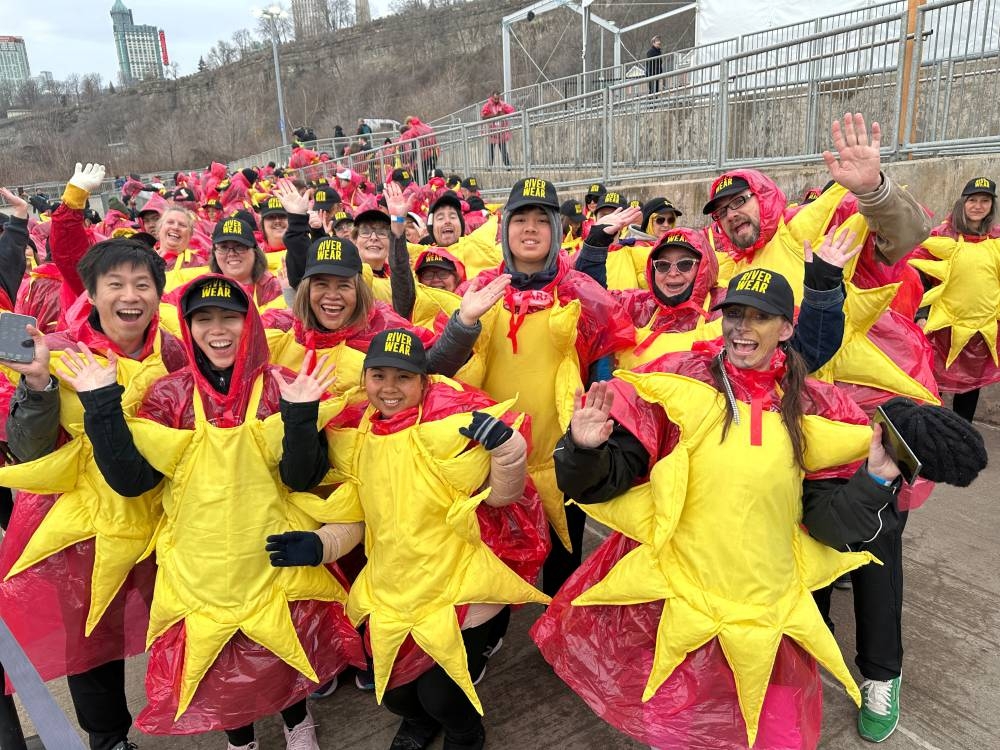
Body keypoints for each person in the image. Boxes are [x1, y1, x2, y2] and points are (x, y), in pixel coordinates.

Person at [532, 267, 904, 749]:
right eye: (733, 314)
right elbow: (607, 481)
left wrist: (874, 480)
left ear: (787, 328)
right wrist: (584, 450)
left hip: (766, 614)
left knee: (776, 737)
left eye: (759, 317)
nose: (741, 327)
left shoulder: (817, 408)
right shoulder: (680, 381)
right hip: (677, 599)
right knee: (681, 730)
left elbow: (830, 526)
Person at [62, 275, 362, 748]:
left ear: (250, 324)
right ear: (187, 325)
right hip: (196, 565)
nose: (217, 329)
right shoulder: (167, 395)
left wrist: (301, 414)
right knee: (215, 660)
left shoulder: (282, 387)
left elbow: (301, 478)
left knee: (285, 647)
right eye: (204, 318)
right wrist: (101, 406)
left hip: (270, 555)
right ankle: (240, 739)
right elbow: (133, 481)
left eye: (230, 316)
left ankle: (297, 723)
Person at [266, 328, 549, 750]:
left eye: (404, 377)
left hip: (457, 589)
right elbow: (361, 519)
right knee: (395, 693)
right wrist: (319, 546)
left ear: (424, 381)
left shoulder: (448, 433)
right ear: (365, 379)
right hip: (391, 588)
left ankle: (464, 733)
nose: (390, 388)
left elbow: (504, 499)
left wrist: (507, 450)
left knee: (443, 692)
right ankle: (418, 723)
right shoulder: (359, 438)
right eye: (379, 375)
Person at [0, 238, 187, 750]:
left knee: (185, 616)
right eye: (116, 284)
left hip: (164, 518)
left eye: (142, 284)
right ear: (93, 293)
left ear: (158, 294)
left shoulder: (178, 347)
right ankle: (109, 739)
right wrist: (37, 386)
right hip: (83, 528)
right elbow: (26, 449)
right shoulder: (57, 352)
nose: (130, 295)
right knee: (91, 640)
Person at [452, 178, 635, 595]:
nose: (530, 229)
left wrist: (593, 437)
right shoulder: (480, 292)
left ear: (556, 229)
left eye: (541, 220)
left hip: (561, 460)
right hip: (494, 458)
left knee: (563, 566)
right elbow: (449, 366)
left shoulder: (580, 293)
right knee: (493, 564)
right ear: (505, 230)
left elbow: (601, 363)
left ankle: (556, 634)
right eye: (520, 219)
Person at [910, 177, 1000, 423]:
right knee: (931, 383)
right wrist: (922, 313)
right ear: (963, 203)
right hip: (941, 327)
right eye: (972, 200)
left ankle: (962, 433)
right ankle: (929, 432)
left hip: (980, 328)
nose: (978, 206)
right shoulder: (942, 236)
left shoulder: (996, 239)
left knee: (971, 383)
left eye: (985, 201)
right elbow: (918, 277)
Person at [481, 92, 516, 168]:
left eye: (498, 98)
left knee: (503, 149)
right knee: (491, 150)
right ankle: (490, 166)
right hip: (491, 132)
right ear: (492, 97)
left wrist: (504, 114)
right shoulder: (487, 105)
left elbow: (511, 111)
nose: (496, 100)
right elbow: (483, 117)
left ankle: (508, 166)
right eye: (495, 99)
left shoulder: (502, 104)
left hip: (501, 132)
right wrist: (495, 115)